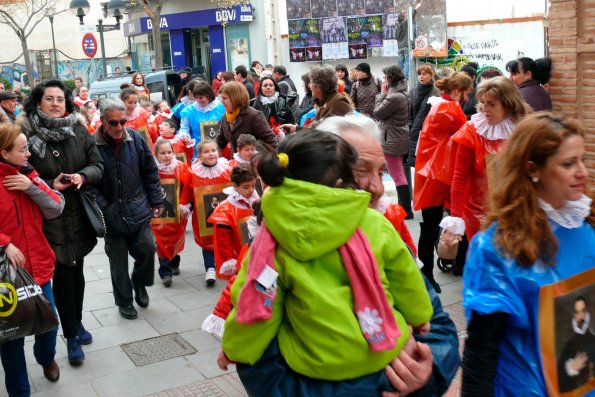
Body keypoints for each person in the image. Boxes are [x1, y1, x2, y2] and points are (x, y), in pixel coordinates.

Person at [220, 130, 433, 396]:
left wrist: (236, 350)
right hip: (386, 359)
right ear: (343, 182)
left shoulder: (270, 240)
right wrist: (420, 317)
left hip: (316, 369)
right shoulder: (374, 223)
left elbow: (258, 305)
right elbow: (406, 279)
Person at [319, 114, 462, 396]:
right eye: (361, 171)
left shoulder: (384, 236)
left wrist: (428, 367)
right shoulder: (277, 248)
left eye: (380, 172)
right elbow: (262, 369)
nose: (376, 188)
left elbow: (440, 326)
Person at [461, 112, 595, 396]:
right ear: (533, 169)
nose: (582, 171)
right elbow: (482, 347)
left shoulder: (586, 223)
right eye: (569, 163)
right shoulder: (497, 248)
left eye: (582, 160)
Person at [17, 79, 104, 365]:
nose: (56, 104)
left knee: (75, 272)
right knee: (64, 274)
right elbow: (18, 176)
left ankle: (75, 323)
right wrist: (47, 185)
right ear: (37, 103)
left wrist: (82, 176)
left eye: (60, 99)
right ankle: (71, 335)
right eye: (49, 99)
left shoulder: (78, 129)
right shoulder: (25, 134)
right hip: (45, 217)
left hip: (77, 213)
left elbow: (97, 164)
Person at [440, 76, 530, 275]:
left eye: (492, 104)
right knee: (487, 267)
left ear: (508, 104)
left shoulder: (522, 130)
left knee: (515, 267)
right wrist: (454, 221)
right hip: (478, 216)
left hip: (515, 210)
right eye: (482, 102)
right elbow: (459, 178)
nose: (484, 108)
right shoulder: (472, 131)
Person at [0, 124, 65, 394]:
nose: (28, 154)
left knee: (49, 323)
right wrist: (4, 245)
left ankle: (45, 357)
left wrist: (31, 187)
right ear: (4, 153)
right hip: (7, 277)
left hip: (38, 265)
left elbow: (56, 207)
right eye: (22, 149)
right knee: (10, 338)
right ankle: (19, 391)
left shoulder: (29, 174)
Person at [91, 98, 163, 321]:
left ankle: (140, 282)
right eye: (113, 122)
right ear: (103, 121)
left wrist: (156, 201)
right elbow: (89, 183)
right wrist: (104, 207)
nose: (119, 127)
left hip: (137, 207)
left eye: (122, 121)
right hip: (111, 215)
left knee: (148, 247)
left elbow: (150, 172)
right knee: (118, 261)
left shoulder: (137, 140)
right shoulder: (91, 146)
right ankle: (124, 302)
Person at [413, 73, 473, 293]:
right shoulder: (450, 108)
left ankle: (427, 272)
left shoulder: (438, 105)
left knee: (428, 226)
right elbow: (468, 133)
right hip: (438, 175)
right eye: (467, 93)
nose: (468, 98)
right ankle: (428, 273)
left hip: (430, 173)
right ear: (458, 91)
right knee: (431, 227)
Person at [180, 140, 231, 285]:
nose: (211, 154)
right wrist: (183, 205)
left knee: (226, 237)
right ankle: (210, 268)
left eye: (213, 150)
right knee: (207, 239)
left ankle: (227, 262)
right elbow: (188, 191)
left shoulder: (227, 168)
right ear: (200, 155)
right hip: (204, 214)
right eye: (206, 151)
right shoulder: (194, 172)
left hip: (225, 214)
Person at [374, 65, 413, 219]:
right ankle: (403, 207)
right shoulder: (403, 93)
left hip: (391, 137)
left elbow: (377, 113)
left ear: (390, 79)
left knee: (397, 174)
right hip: (397, 135)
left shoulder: (394, 97)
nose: (383, 80)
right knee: (397, 173)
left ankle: (406, 209)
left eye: (385, 77)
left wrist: (381, 95)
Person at [151, 139, 191, 287]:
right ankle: (165, 272)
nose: (167, 155)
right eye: (162, 153)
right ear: (156, 154)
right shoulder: (152, 169)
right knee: (161, 240)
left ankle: (174, 261)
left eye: (169, 152)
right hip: (158, 212)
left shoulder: (181, 167)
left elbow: (188, 186)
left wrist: (183, 204)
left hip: (177, 210)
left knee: (175, 237)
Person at [208, 163, 259, 279]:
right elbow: (222, 238)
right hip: (238, 254)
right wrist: (229, 258)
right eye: (246, 187)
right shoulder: (225, 209)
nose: (251, 190)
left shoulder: (256, 200)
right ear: (235, 186)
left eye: (253, 185)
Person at [282, 65, 353, 133]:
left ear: (319, 86)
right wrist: (295, 128)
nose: (309, 86)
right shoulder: (324, 101)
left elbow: (325, 132)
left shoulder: (338, 102)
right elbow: (316, 127)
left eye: (311, 82)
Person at [217, 81, 277, 154]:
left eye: (225, 98)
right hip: (237, 163)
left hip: (255, 162)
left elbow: (271, 142)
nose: (222, 101)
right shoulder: (225, 118)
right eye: (221, 98)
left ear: (235, 98)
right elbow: (220, 142)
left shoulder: (255, 116)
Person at [557, 296, 595, 393]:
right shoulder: (569, 346)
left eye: (583, 311)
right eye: (577, 312)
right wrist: (571, 368)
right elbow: (559, 384)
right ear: (573, 315)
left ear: (588, 313)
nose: (581, 317)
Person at [406, 63, 438, 167]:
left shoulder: (436, 92)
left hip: (429, 132)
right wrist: (410, 127)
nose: (421, 77)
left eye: (424, 74)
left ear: (431, 75)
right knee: (415, 165)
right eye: (419, 74)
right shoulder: (413, 91)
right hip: (414, 132)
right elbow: (409, 112)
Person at [179, 80, 225, 149]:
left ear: (208, 95)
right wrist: (185, 136)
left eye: (201, 97)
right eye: (196, 98)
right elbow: (184, 128)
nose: (198, 100)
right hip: (199, 150)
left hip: (220, 149)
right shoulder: (189, 111)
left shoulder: (222, 107)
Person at [396, 12, 410, 78]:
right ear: (404, 17)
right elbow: (411, 15)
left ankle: (399, 77)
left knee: (400, 63)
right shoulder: (405, 23)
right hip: (406, 46)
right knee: (407, 61)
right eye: (405, 15)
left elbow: (396, 37)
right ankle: (406, 77)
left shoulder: (397, 25)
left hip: (400, 47)